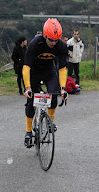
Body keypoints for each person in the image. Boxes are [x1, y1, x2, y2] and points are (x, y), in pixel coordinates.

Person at [23, 18, 68, 148]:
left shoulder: (61, 46)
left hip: (49, 72)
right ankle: (28, 132)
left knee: (54, 94)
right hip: (34, 72)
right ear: (44, 35)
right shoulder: (34, 44)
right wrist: (27, 87)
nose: (53, 43)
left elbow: (62, 68)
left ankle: (50, 121)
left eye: (56, 39)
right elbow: (26, 67)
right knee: (31, 100)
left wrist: (63, 88)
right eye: (50, 39)